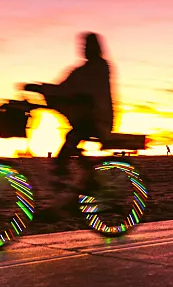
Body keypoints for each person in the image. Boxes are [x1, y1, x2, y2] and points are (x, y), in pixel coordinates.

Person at [22, 32, 114, 194]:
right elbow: (65, 89)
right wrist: (41, 89)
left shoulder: (98, 67)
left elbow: (72, 89)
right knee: (70, 141)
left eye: (86, 46)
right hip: (87, 118)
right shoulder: (84, 70)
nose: (84, 49)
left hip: (96, 119)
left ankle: (65, 184)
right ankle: (81, 178)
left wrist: (41, 89)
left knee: (71, 141)